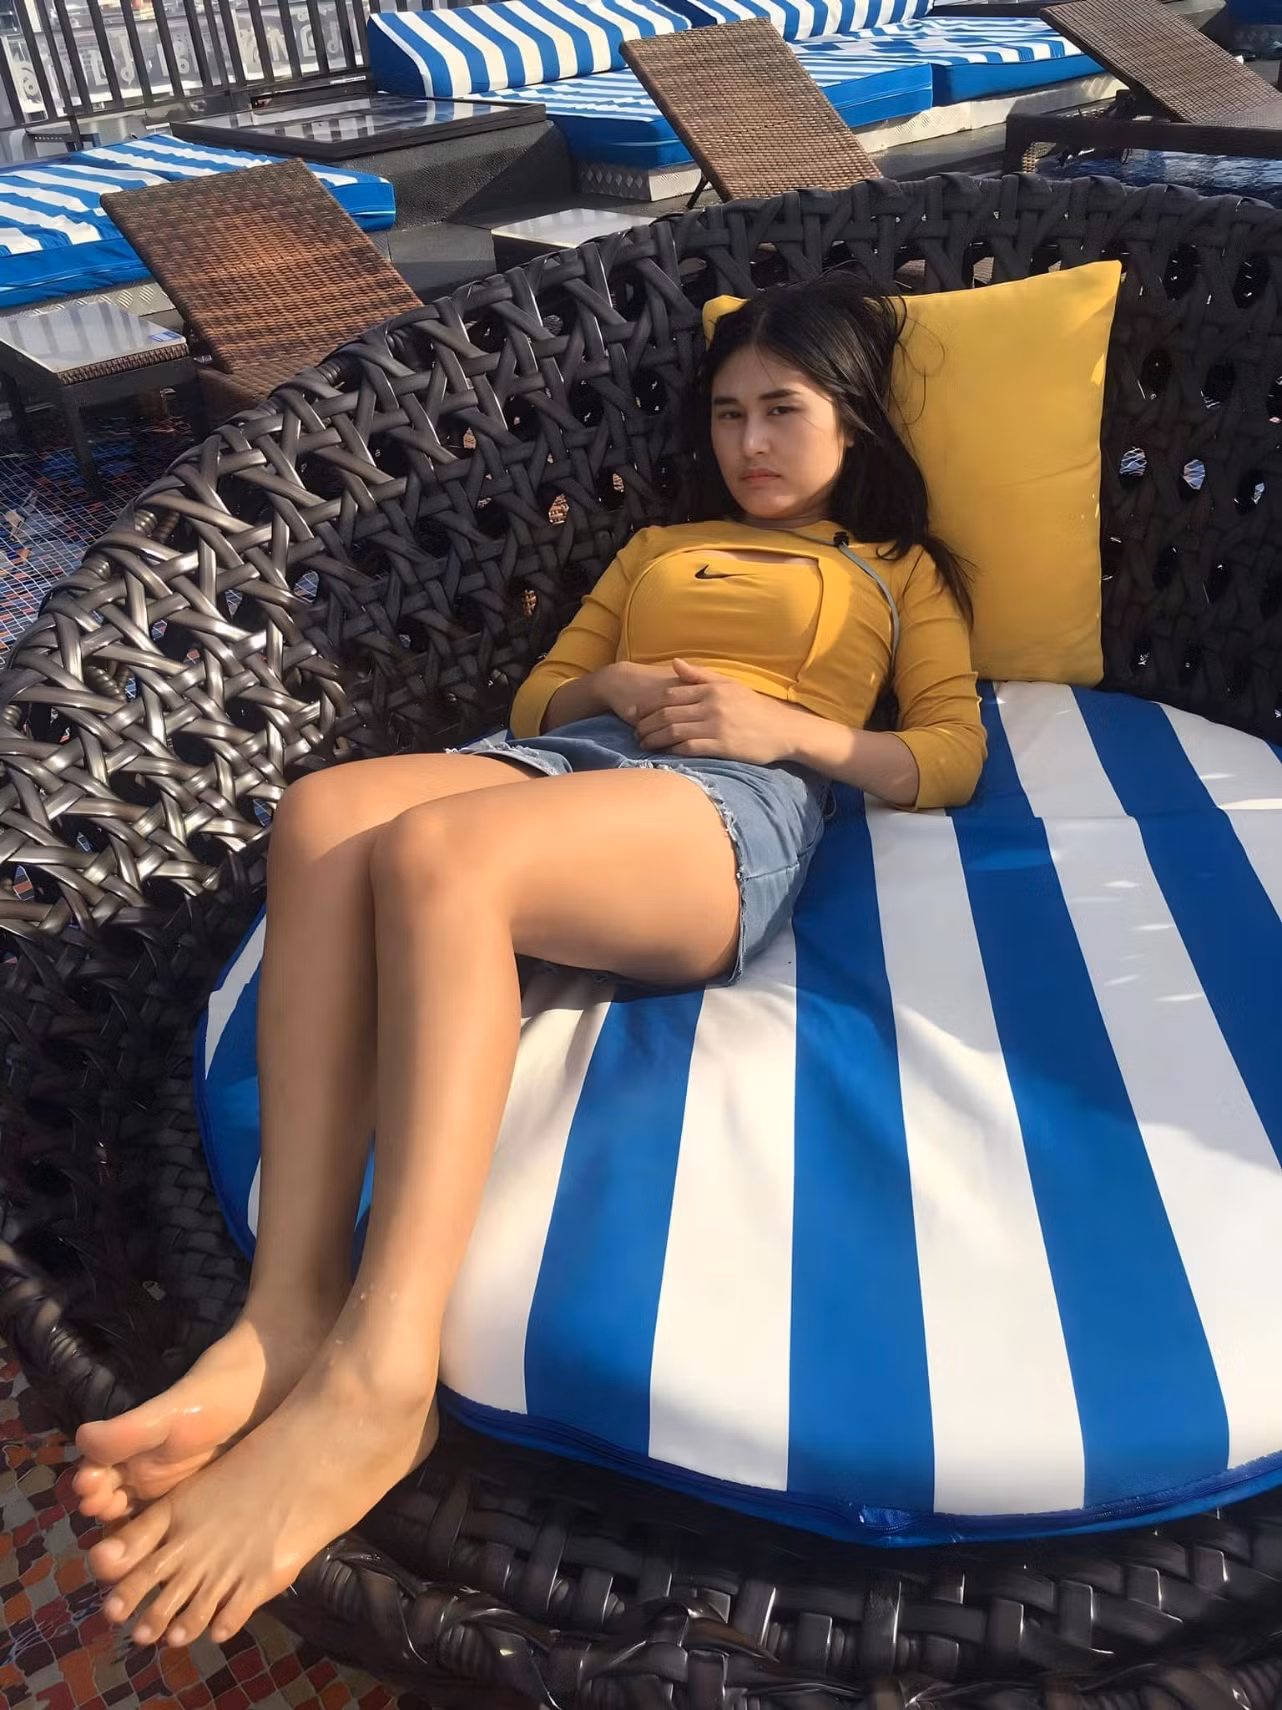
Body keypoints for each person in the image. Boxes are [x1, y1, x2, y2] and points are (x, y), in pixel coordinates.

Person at [70, 271, 986, 1650]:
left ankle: (384, 1376)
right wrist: (609, 686)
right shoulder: (657, 546)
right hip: (563, 761)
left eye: (783, 410)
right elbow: (539, 694)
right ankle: (287, 1310)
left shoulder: (895, 570)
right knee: (324, 815)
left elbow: (950, 754)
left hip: (728, 802)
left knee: (443, 856)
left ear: (851, 422)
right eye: (728, 411)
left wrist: (787, 730)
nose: (749, 440)